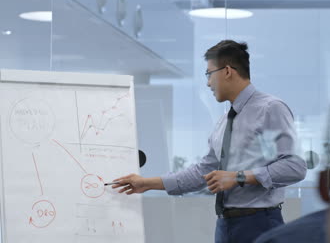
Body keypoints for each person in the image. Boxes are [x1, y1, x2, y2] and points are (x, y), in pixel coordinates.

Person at [111, 40, 307, 243]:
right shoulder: (224, 122)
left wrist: (239, 177)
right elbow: (202, 172)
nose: (207, 83)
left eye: (209, 73)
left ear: (227, 71)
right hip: (225, 227)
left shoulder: (270, 108)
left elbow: (295, 167)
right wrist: (147, 184)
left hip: (259, 225)